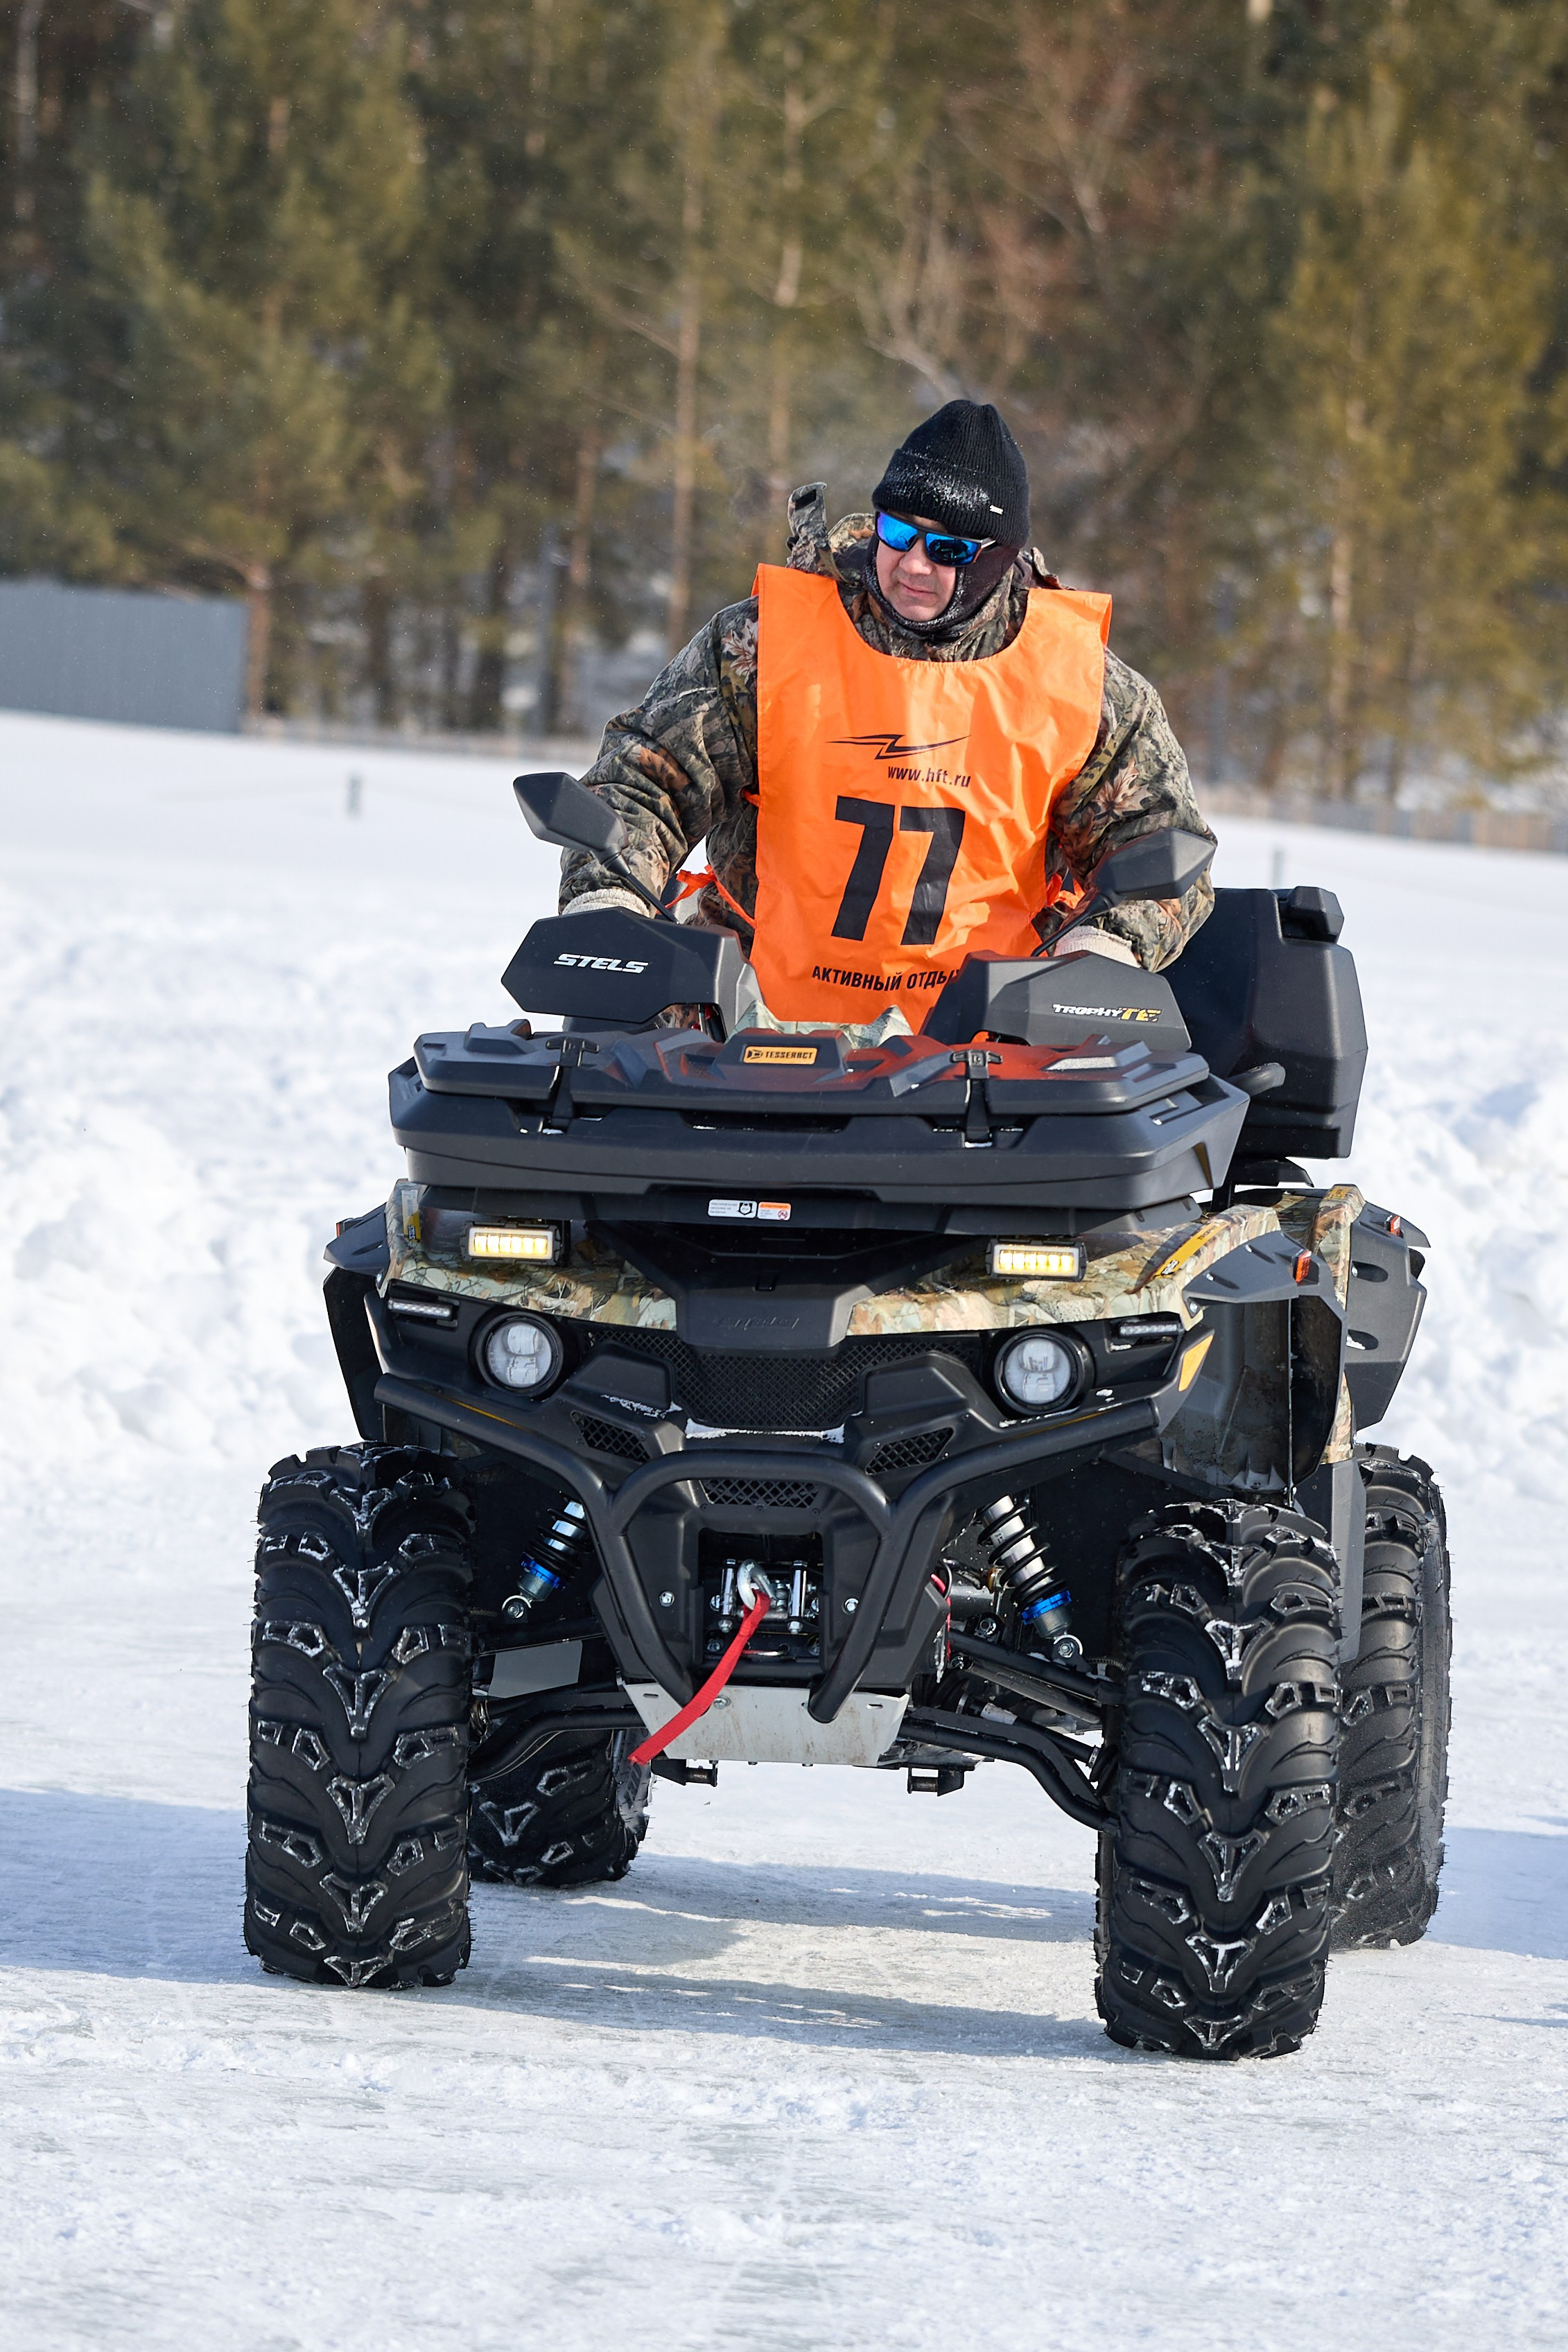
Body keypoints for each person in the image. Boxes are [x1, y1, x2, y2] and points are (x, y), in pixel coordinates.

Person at [560, 399, 1213, 1035]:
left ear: (1000, 556)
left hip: (990, 1061)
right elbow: (646, 779)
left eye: (948, 549)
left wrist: (1107, 949)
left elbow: (1161, 845)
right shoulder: (767, 645)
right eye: (897, 533)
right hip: (743, 1031)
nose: (913, 564)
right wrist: (609, 897)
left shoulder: (1081, 682)